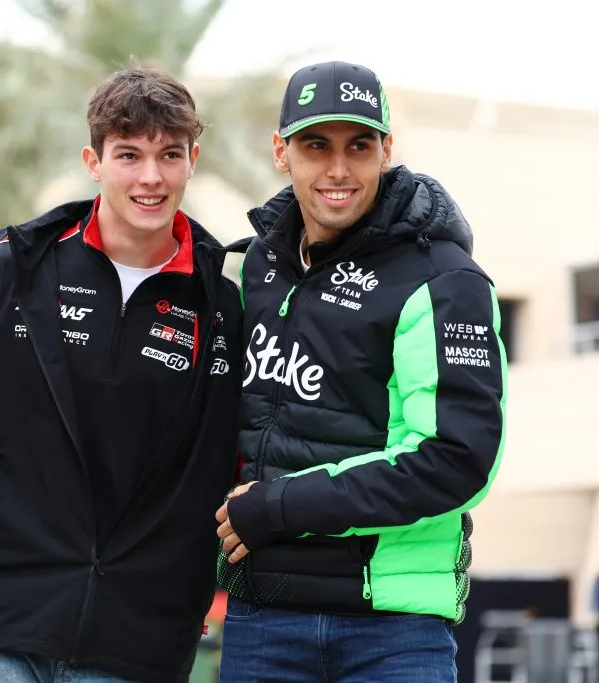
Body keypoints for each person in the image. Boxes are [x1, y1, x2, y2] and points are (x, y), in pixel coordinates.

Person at [0, 65, 243, 683]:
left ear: (193, 159)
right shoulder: (8, 272)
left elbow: (235, 466)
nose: (150, 177)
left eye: (169, 155)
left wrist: (199, 587)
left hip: (137, 639)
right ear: (94, 160)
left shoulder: (224, 305)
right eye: (128, 154)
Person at [215, 60, 508, 682]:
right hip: (262, 619)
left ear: (387, 150)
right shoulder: (251, 270)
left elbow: (456, 458)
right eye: (316, 146)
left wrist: (282, 506)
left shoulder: (444, 280)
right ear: (281, 152)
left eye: (360, 146)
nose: (339, 169)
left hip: (393, 631)